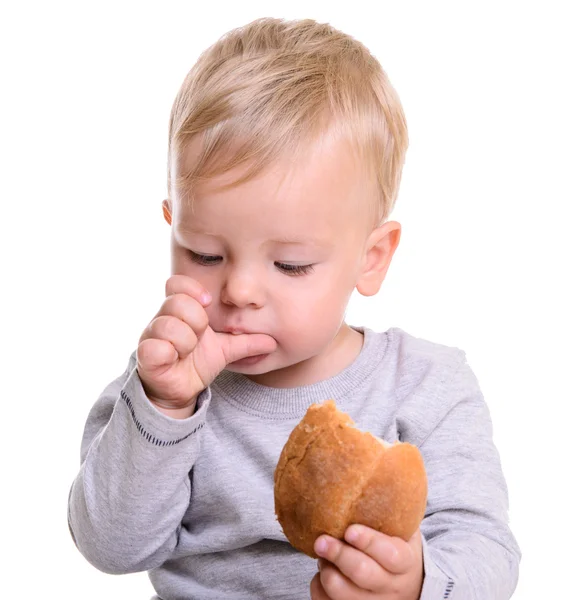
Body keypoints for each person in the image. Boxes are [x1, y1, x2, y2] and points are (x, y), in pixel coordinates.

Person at [68, 17, 521, 600]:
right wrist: (165, 406)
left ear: (371, 257)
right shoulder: (164, 387)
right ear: (172, 227)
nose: (239, 291)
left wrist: (417, 584)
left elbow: (487, 550)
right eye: (204, 254)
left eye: (290, 266)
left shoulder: (425, 385)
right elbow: (109, 546)